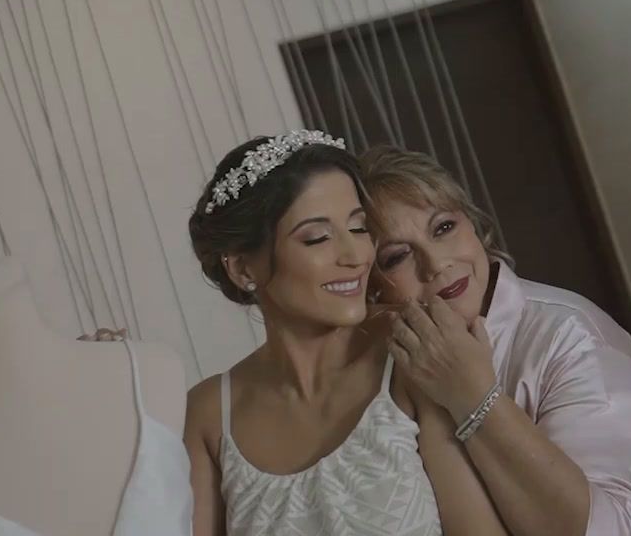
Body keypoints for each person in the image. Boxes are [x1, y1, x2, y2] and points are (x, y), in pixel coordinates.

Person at [182, 130, 509, 536]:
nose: (356, 257)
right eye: (317, 238)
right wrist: (110, 372)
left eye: (358, 229)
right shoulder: (210, 414)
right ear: (244, 269)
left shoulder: (411, 355)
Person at [359, 144, 631, 536]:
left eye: (443, 228)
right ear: (372, 290)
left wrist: (471, 395)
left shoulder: (570, 337)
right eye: (398, 256)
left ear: (472, 224)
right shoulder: (387, 374)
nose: (437, 263)